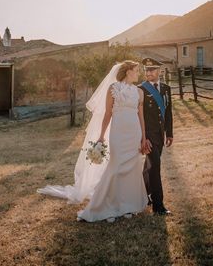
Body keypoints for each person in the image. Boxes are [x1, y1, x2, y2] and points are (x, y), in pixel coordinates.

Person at [38, 60, 149, 222]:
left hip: (134, 133)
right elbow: (107, 115)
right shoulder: (113, 89)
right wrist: (101, 136)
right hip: (118, 133)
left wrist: (144, 138)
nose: (138, 73)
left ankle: (129, 205)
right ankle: (108, 205)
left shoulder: (139, 93)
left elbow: (141, 116)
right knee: (116, 167)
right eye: (136, 70)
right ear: (127, 72)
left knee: (133, 168)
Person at [138, 57, 173, 215]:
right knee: (155, 168)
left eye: (152, 70)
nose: (149, 72)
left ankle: (145, 196)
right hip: (148, 135)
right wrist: (143, 137)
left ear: (159, 71)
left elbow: (168, 112)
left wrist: (169, 132)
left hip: (161, 134)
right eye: (146, 70)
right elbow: (138, 116)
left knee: (149, 167)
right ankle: (158, 206)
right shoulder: (141, 89)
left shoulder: (166, 88)